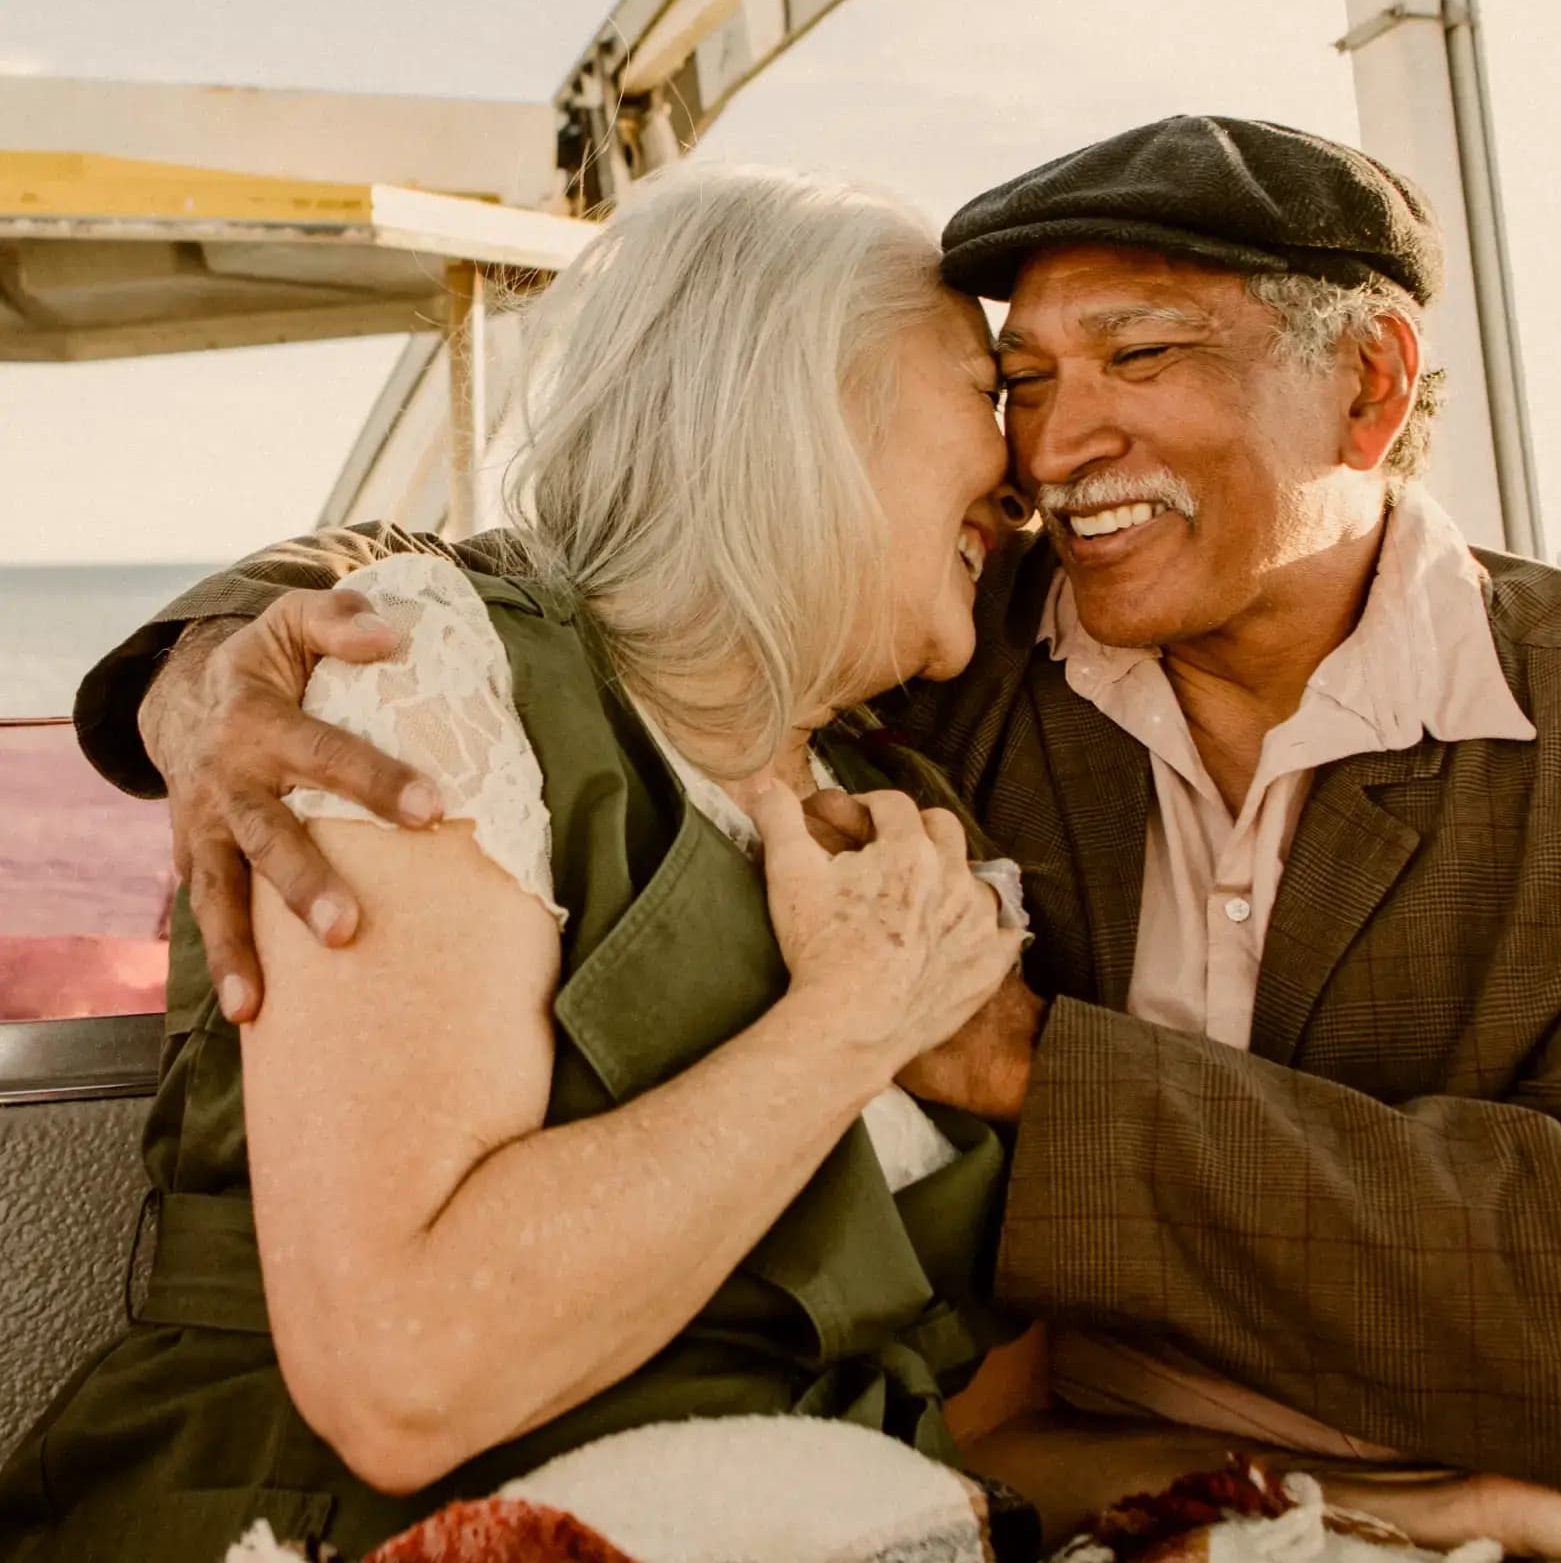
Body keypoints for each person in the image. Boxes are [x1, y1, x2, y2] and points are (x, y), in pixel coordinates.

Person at [60, 120, 1561, 1539]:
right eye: (1020, 382)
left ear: (1373, 387)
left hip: (1251, 1472)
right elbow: (587, 589)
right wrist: (213, 661)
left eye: (1141, 356)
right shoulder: (943, 672)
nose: (1050, 452)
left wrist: (1030, 1067)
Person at [0, 164, 1037, 1563]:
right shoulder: (443, 680)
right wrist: (854, 1023)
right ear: (799, 405)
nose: (1026, 478)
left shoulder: (904, 811)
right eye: (984, 388)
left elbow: (994, 1409)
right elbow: (403, 1375)